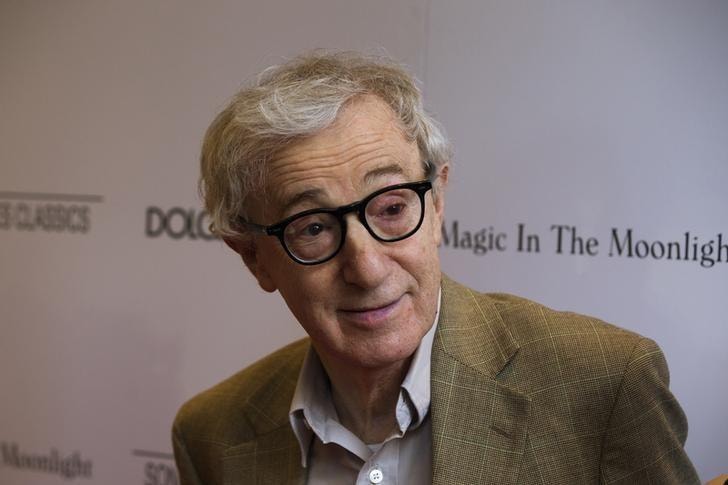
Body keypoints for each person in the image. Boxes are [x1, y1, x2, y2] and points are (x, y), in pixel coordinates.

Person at [172, 51, 699, 484]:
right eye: (313, 228)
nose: (368, 269)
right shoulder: (212, 435)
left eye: (392, 208)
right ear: (253, 257)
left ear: (438, 202)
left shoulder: (605, 384)